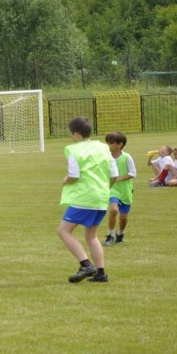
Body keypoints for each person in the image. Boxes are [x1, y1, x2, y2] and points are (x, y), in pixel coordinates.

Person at [58, 116, 118, 283]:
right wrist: (105, 189)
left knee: (63, 231)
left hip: (84, 197)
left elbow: (74, 175)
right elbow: (114, 174)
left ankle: (85, 264)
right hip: (101, 197)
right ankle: (101, 273)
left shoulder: (74, 150)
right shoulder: (103, 148)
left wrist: (65, 180)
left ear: (76, 134)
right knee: (91, 235)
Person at [103, 131, 136, 246]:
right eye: (107, 142)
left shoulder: (126, 157)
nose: (108, 145)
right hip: (113, 189)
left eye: (111, 143)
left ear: (120, 144)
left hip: (125, 190)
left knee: (123, 218)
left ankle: (120, 233)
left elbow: (133, 173)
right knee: (113, 210)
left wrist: (118, 178)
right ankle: (110, 235)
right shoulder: (106, 157)